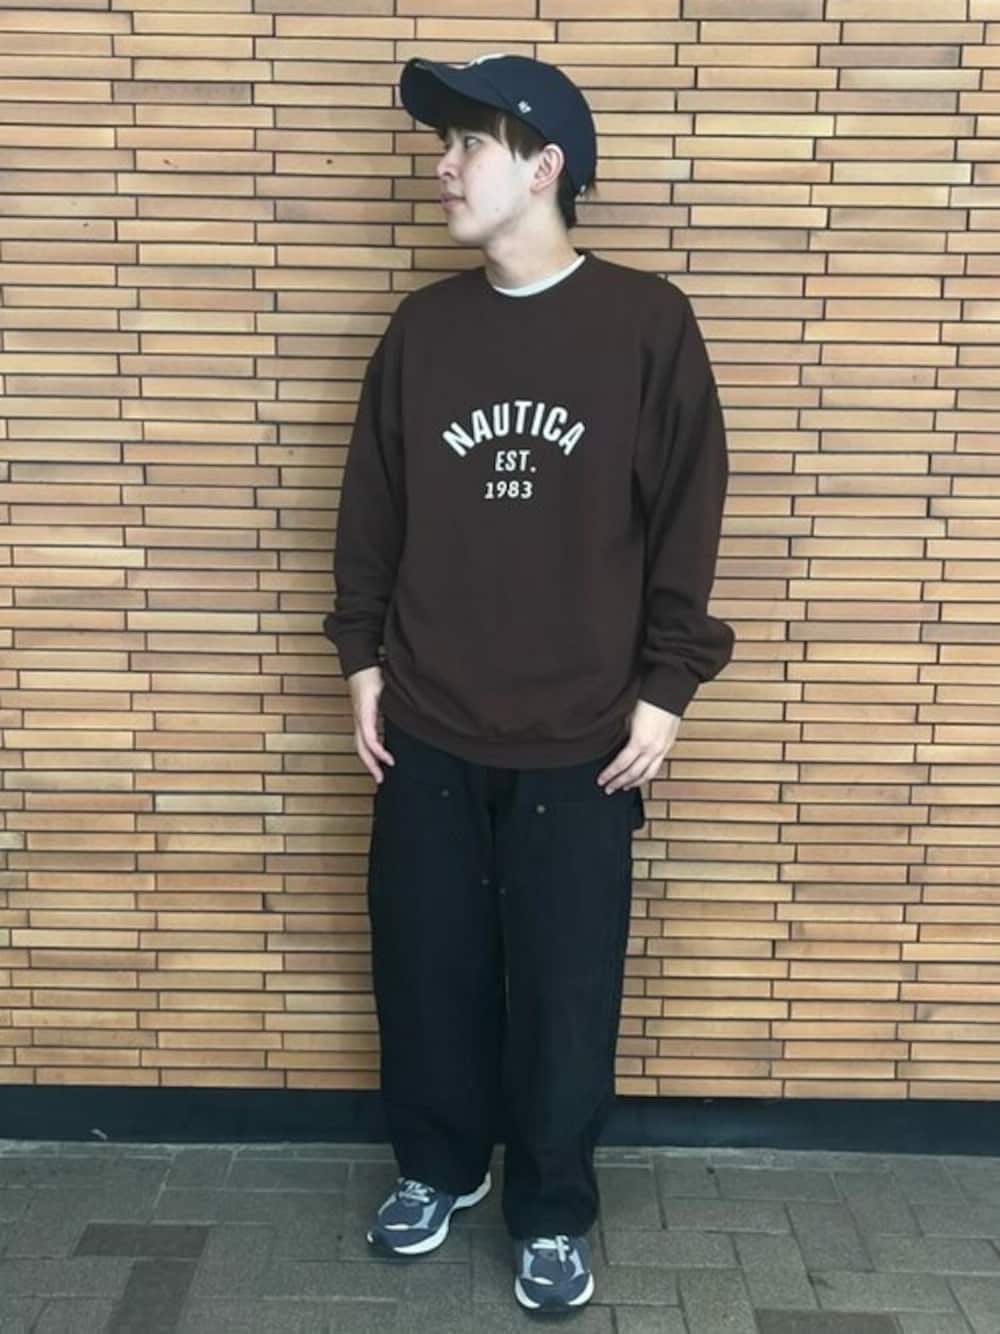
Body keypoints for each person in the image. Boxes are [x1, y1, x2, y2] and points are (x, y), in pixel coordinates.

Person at [322, 51, 735, 1316]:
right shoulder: (423, 331)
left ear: (545, 164)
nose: (442, 169)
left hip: (582, 733)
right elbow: (370, 509)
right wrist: (361, 660)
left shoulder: (644, 323)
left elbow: (688, 514)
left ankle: (551, 1208)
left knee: (564, 990)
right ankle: (437, 1167)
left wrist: (666, 686)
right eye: (441, 146)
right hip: (429, 721)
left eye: (468, 145)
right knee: (426, 966)